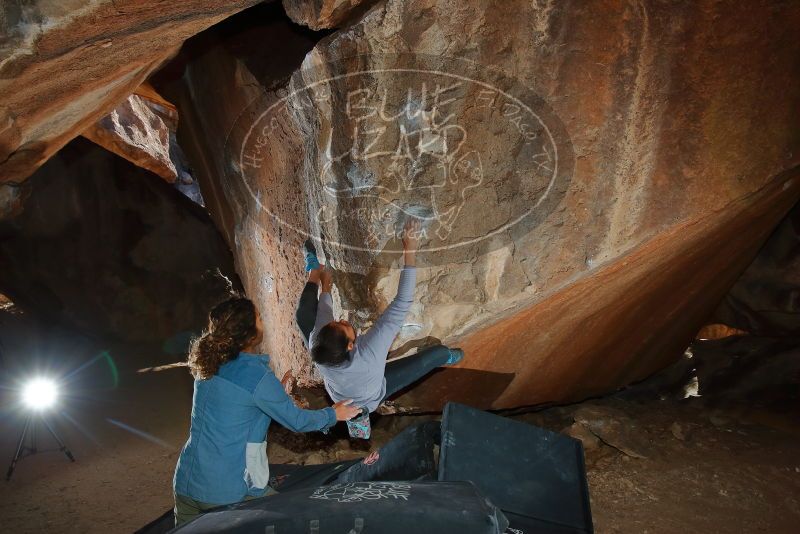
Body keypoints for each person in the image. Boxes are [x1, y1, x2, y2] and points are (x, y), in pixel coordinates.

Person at [173, 297, 360, 526]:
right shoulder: (258, 377)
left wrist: (276, 394)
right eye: (259, 318)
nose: (263, 321)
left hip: (186, 482)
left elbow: (236, 404)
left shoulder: (208, 364)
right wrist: (334, 414)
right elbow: (297, 421)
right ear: (251, 335)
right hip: (226, 491)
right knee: (292, 522)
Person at [294, 220, 464, 439]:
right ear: (351, 346)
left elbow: (323, 317)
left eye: (338, 323)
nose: (344, 320)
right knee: (436, 355)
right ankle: (360, 417)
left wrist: (325, 286)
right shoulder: (369, 350)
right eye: (345, 326)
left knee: (302, 315)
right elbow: (402, 303)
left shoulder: (317, 347)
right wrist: (409, 250)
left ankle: (314, 271)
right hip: (375, 391)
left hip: (345, 393)